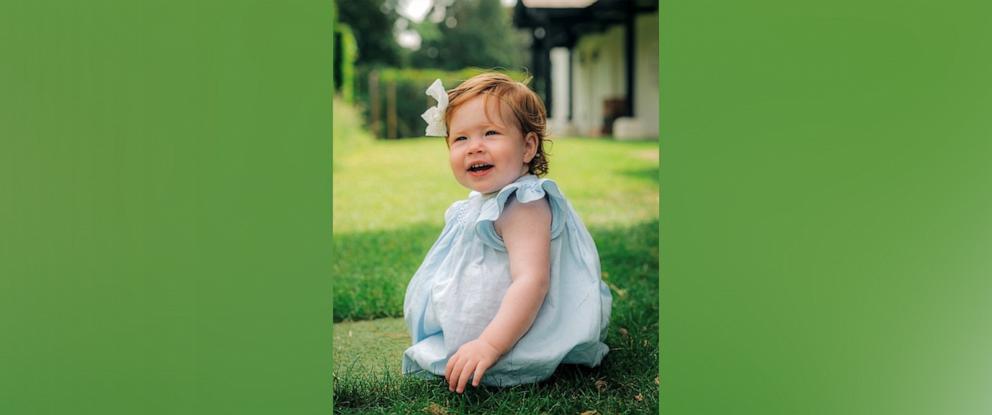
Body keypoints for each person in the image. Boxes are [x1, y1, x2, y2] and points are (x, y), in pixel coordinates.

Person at [402, 73, 612, 393]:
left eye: (490, 133)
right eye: (460, 139)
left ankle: (498, 350)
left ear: (528, 146)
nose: (475, 148)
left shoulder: (523, 203)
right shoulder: (482, 202)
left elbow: (532, 280)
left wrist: (488, 344)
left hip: (511, 335)